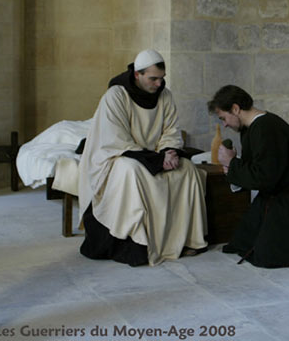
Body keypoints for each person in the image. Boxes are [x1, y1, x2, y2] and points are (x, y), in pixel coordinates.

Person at [77, 49, 208, 267]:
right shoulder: (116, 96)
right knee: (132, 170)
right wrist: (156, 160)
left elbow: (171, 130)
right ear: (137, 75)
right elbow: (115, 139)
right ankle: (141, 244)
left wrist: (169, 151)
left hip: (154, 155)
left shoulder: (165, 95)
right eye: (153, 79)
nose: (158, 84)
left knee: (187, 170)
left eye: (161, 79)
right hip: (116, 156)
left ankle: (187, 240)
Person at [207, 85, 289, 268]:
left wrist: (233, 164)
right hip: (276, 193)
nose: (224, 124)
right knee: (241, 243)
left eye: (224, 118)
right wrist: (233, 167)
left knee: (269, 256)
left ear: (235, 109)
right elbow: (257, 169)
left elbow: (265, 178)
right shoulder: (249, 129)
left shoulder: (266, 128)